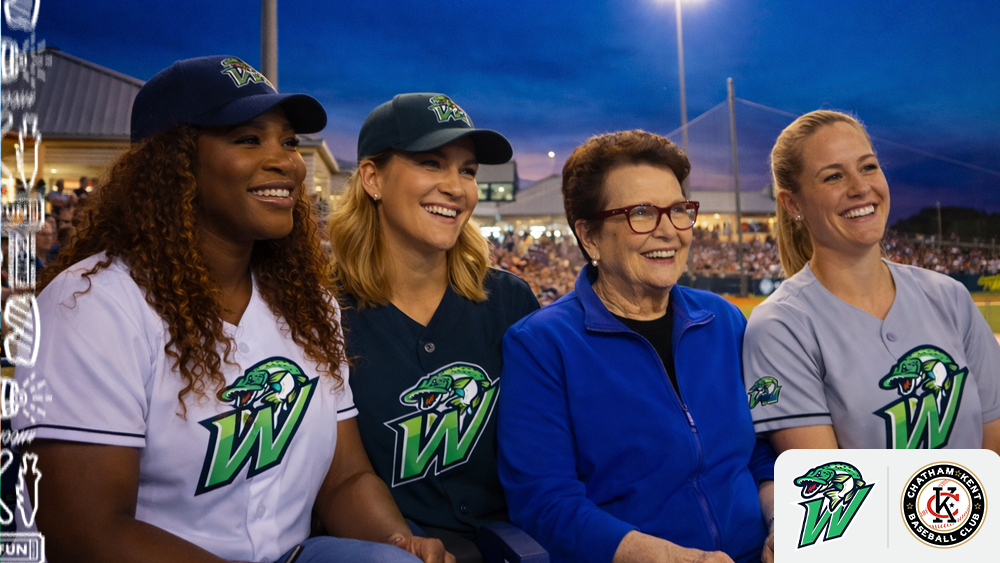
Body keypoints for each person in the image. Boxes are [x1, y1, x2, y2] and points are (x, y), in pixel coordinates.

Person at [12, 56, 451, 563]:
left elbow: (346, 478)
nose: (285, 161)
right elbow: (88, 533)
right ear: (174, 165)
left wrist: (399, 543)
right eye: (248, 139)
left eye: (287, 141)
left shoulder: (310, 305)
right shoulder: (90, 305)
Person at [497, 130, 775, 563]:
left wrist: (784, 524)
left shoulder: (724, 320)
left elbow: (758, 451)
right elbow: (545, 502)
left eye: (679, 210)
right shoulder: (541, 344)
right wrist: (671, 558)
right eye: (642, 213)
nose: (669, 231)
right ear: (589, 236)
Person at [331, 93, 540, 563]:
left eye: (467, 170)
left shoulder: (509, 300)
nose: (456, 187)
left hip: (522, 541)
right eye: (431, 163)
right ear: (372, 178)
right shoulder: (324, 311)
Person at [742, 110, 1000, 453]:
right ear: (792, 204)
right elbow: (830, 489)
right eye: (834, 176)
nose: (860, 187)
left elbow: (994, 443)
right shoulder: (780, 326)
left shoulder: (950, 296)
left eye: (868, 167)